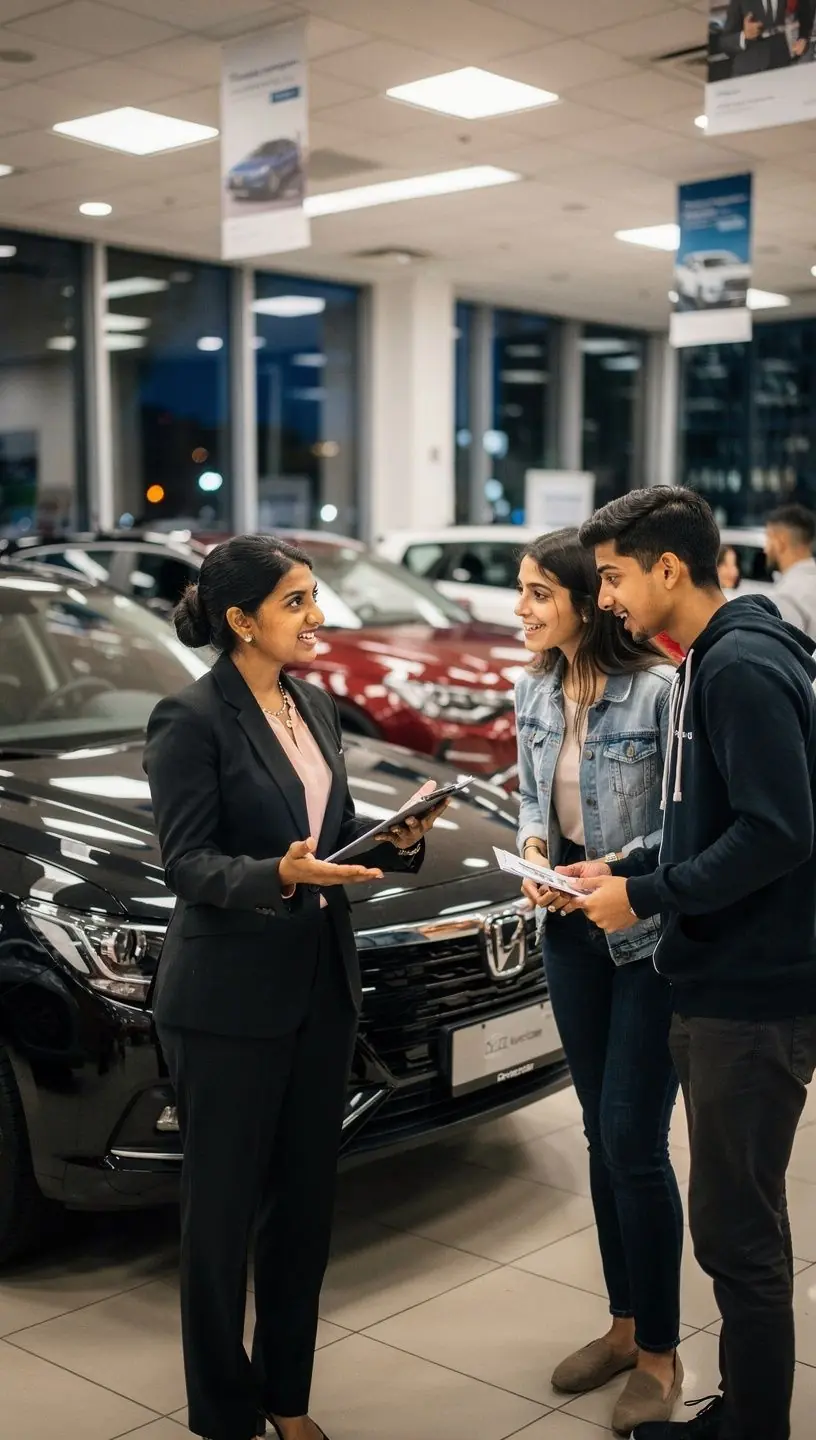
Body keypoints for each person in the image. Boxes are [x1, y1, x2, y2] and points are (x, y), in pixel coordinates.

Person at [144, 535, 450, 1440]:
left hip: (321, 989)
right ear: (242, 621)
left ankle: (288, 1396)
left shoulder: (311, 705)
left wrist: (390, 841)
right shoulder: (189, 718)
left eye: (315, 596)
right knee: (221, 1219)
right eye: (297, 602)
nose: (319, 617)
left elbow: (336, 827)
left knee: (304, 1209)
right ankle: (224, 1412)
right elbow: (188, 864)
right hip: (228, 1003)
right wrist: (278, 876)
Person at [563, 488, 816, 1440]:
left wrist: (649, 897)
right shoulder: (719, 656)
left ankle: (753, 1429)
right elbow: (712, 815)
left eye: (617, 576)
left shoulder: (740, 665)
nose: (609, 599)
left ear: (671, 567)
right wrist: (629, 863)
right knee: (738, 1227)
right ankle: (749, 1413)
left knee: (740, 1238)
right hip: (734, 985)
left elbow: (778, 833)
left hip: (751, 996)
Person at [514, 529, 683, 1438]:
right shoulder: (533, 687)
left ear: (585, 599)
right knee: (597, 1133)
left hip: (644, 936)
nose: (522, 609)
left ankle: (661, 1353)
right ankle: (623, 1327)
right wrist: (537, 851)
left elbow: (683, 825)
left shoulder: (659, 693)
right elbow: (526, 795)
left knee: (632, 1137)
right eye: (522, 591)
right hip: (566, 930)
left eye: (539, 593)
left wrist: (609, 868)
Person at [764, 502, 816, 639]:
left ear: (780, 542)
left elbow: (782, 656)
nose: (765, 549)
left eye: (769, 538)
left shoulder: (787, 595)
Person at [721, 2, 810, 76]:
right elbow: (724, 42)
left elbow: (805, 19)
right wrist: (744, 36)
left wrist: (803, 39)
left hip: (783, 70)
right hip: (749, 73)